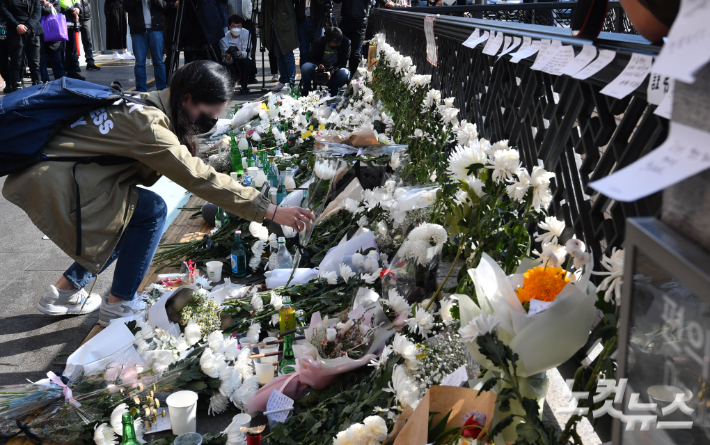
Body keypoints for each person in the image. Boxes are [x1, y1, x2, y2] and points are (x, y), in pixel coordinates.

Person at [2, 60, 315, 325]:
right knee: (148, 212)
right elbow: (199, 178)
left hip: (60, 175)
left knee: (127, 214)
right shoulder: (149, 126)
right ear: (187, 99)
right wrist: (269, 210)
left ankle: (64, 292)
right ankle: (119, 305)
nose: (212, 122)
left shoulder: (149, 103)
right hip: (55, 182)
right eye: (210, 113)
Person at [123, 0, 167, 91]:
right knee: (139, 62)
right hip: (137, 29)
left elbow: (164, 5)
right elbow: (126, 7)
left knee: (158, 60)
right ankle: (141, 90)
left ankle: (162, 89)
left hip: (156, 27)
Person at [0, 0, 43, 90]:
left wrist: (27, 26)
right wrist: (17, 25)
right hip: (15, 32)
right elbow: (4, 10)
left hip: (32, 31)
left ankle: (37, 85)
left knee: (35, 62)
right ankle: (16, 86)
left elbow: (37, 12)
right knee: (16, 62)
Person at [300, 26, 350, 96]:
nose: (338, 44)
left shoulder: (346, 42)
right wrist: (319, 65)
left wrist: (331, 71)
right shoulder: (320, 42)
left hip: (335, 69)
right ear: (328, 41)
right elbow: (311, 58)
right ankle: (306, 89)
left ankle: (334, 91)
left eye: (339, 42)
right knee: (305, 67)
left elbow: (342, 63)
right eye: (335, 42)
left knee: (345, 73)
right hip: (320, 68)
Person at [261, 0, 299, 91]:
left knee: (287, 52)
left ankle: (291, 81)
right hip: (273, 23)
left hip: (284, 23)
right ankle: (283, 80)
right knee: (278, 54)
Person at [333, 0, 369, 76]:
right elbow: (337, 1)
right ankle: (340, 76)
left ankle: (355, 78)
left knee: (355, 52)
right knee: (342, 49)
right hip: (346, 19)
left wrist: (385, 2)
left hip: (360, 20)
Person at [220, 14, 251, 94]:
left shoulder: (246, 33)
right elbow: (225, 58)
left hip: (243, 58)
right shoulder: (224, 38)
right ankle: (230, 84)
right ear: (229, 27)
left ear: (242, 27)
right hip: (231, 61)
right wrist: (228, 58)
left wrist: (240, 53)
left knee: (246, 62)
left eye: (238, 26)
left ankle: (244, 85)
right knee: (226, 67)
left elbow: (248, 52)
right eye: (234, 26)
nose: (236, 28)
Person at [39, 0, 66, 81]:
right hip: (40, 34)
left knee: (56, 59)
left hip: (54, 34)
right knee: (41, 60)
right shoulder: (36, 2)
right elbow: (37, 11)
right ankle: (45, 81)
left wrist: (43, 7)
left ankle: (60, 80)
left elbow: (56, 10)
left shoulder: (55, 1)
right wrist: (45, 5)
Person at [59, 0, 84, 80]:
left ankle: (72, 71)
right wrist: (73, 10)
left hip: (72, 21)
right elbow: (61, 1)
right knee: (61, 48)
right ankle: (62, 73)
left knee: (72, 48)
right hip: (62, 19)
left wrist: (77, 8)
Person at [77, 0, 99, 70]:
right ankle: (74, 64)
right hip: (76, 17)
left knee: (87, 41)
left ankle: (90, 62)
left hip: (87, 16)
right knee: (73, 43)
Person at [296, 0, 316, 68]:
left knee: (317, 50)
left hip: (316, 21)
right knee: (303, 51)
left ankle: (317, 74)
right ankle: (304, 75)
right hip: (302, 21)